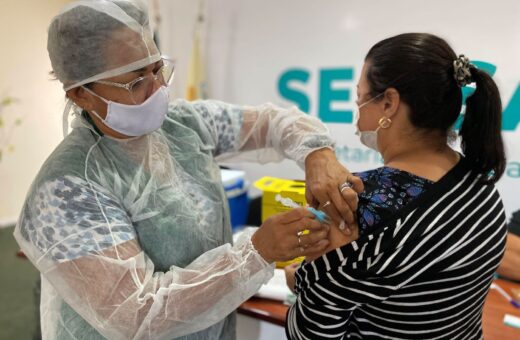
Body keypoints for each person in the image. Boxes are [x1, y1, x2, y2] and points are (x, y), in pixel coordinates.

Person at [13, 1, 364, 339]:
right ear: (81, 95)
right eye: (135, 82)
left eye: (157, 69)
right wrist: (256, 252)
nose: (158, 90)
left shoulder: (183, 125)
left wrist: (317, 153)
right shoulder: (66, 189)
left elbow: (274, 123)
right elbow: (136, 316)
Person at [285, 33, 507, 339]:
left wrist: (309, 277)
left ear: (389, 103)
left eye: (360, 96)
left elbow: (311, 334)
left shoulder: (361, 203)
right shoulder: (480, 183)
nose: (358, 107)